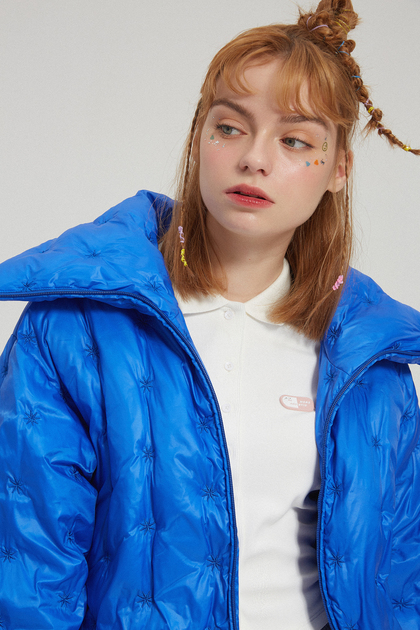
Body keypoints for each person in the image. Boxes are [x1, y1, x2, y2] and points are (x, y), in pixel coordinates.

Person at [0, 0, 419, 628]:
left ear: (338, 169)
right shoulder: (77, 327)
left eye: (295, 140)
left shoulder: (371, 361)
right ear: (199, 137)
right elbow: (28, 573)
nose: (254, 158)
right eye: (230, 127)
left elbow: (402, 579)